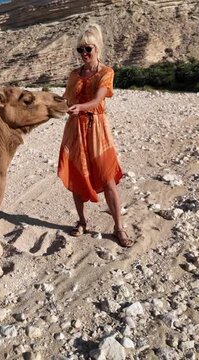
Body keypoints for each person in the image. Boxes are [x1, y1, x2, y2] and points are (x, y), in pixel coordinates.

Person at [57, 23, 132, 247]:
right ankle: (81, 221)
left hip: (97, 128)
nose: (84, 54)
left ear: (97, 49)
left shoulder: (106, 72)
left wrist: (82, 107)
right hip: (75, 128)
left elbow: (99, 99)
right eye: (80, 50)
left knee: (108, 178)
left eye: (88, 49)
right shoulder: (74, 75)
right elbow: (66, 100)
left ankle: (119, 227)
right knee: (77, 175)